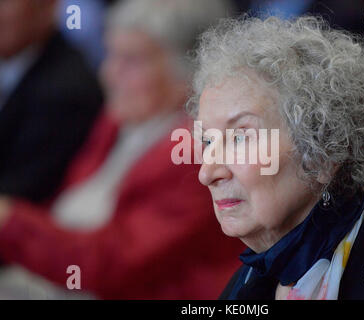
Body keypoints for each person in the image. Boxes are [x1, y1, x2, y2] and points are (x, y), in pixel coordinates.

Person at [187, 15, 364, 299]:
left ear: (322, 154)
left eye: (240, 138)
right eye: (208, 141)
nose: (207, 173)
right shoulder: (245, 285)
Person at [0, 0, 242, 299]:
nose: (109, 74)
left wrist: (10, 221)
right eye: (111, 54)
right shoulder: (119, 121)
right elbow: (66, 212)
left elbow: (113, 264)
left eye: (131, 60)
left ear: (188, 71)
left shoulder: (195, 152)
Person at [0, 0, 103, 203]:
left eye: (5, 4)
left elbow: (20, 191)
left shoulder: (67, 92)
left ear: (46, 9)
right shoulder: (13, 53)